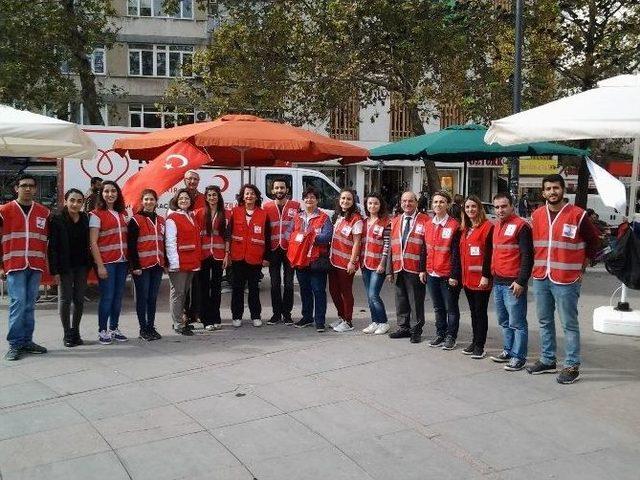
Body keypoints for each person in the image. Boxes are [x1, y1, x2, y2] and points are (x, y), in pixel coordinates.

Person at [527, 174, 600, 384]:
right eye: (548, 189)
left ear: (563, 190)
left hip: (567, 278)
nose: (552, 192)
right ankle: (548, 359)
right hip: (542, 276)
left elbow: (593, 241)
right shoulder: (537, 215)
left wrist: (583, 267)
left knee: (569, 323)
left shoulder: (578, 215)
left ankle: (571, 365)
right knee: (544, 320)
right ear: (543, 193)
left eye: (556, 188)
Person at [0, 174, 49, 361]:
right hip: (14, 264)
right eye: (23, 185)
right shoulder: (5, 211)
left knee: (29, 305)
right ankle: (15, 344)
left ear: (35, 189)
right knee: (18, 303)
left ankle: (27, 340)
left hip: (35, 265)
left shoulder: (44, 212)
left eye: (31, 186)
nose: (27, 188)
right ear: (16, 189)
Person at [490, 193, 533, 371]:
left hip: (513, 283)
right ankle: (508, 350)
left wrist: (521, 281)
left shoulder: (521, 226)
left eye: (504, 206)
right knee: (504, 320)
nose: (500, 210)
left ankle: (519, 356)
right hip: (498, 281)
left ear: (512, 206)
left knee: (517, 322)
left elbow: (527, 256)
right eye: (497, 207)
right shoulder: (497, 225)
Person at [48, 188, 91, 347]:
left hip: (81, 265)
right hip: (64, 267)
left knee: (79, 300)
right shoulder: (57, 219)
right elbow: (52, 247)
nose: (75, 204)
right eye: (72, 200)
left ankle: (76, 331)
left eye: (79, 201)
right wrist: (55, 271)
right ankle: (67, 333)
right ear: (65, 201)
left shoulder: (85, 218)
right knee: (65, 299)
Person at [386, 191, 430, 343]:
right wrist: (389, 270)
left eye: (410, 201)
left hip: (416, 268)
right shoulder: (396, 220)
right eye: (404, 201)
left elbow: (427, 246)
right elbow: (391, 246)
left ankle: (416, 330)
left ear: (416, 203)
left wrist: (424, 269)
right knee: (401, 299)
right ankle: (403, 327)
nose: (407, 204)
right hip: (399, 266)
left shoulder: (425, 220)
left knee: (416, 301)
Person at [287, 187, 333, 332]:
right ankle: (307, 317)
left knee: (318, 290)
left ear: (317, 200)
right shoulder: (297, 217)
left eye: (312, 197)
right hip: (300, 260)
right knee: (304, 290)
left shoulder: (324, 218)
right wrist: (302, 239)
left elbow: (327, 237)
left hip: (317, 260)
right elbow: (290, 234)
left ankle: (320, 321)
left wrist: (309, 237)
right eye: (307, 197)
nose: (309, 200)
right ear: (303, 200)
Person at [89, 180, 129, 345]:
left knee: (118, 297)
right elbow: (93, 243)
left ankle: (114, 328)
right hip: (107, 263)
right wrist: (100, 265)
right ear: (101, 194)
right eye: (106, 191)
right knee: (107, 297)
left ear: (118, 194)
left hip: (122, 262)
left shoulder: (123, 214)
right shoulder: (95, 214)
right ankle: (102, 330)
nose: (110, 194)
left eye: (113, 191)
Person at [421, 190, 461, 350]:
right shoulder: (428, 224)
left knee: (451, 307)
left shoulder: (454, 225)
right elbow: (425, 249)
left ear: (448, 204)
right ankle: (440, 333)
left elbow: (456, 253)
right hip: (431, 272)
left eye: (442, 202)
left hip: (447, 274)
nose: (438, 205)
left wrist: (454, 274)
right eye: (435, 202)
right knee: (437, 307)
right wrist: (422, 269)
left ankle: (451, 336)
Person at [227, 184, 270, 328]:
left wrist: (266, 257)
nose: (249, 196)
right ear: (242, 196)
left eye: (252, 193)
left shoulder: (263, 214)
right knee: (237, 288)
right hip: (237, 257)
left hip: (255, 257)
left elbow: (268, 237)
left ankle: (256, 316)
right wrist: (228, 254)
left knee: (254, 289)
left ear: (256, 196)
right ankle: (236, 316)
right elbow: (228, 234)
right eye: (246, 194)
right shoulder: (235, 212)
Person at [457, 195, 493, 359]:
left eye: (473, 206)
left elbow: (489, 254)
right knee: (473, 312)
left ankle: (480, 345)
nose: (470, 210)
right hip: (467, 279)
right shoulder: (465, 229)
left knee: (480, 312)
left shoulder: (487, 227)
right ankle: (474, 341)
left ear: (479, 208)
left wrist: (486, 275)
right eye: (467, 207)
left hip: (481, 279)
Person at [128, 189, 165, 341]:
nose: (149, 202)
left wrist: (165, 263)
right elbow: (131, 245)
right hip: (142, 266)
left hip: (157, 265)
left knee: (153, 297)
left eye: (152, 199)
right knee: (142, 298)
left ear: (156, 202)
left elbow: (163, 242)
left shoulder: (161, 220)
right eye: (146, 199)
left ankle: (151, 326)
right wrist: (135, 266)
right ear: (142, 202)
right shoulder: (135, 220)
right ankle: (143, 328)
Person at [263, 178, 299, 325]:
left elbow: (300, 228)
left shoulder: (296, 206)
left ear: (287, 190)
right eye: (276, 188)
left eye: (282, 188)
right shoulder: (266, 207)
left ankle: (287, 314)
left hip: (290, 250)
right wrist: (264, 255)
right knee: (275, 284)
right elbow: (264, 233)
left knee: (289, 284)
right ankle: (276, 314)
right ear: (272, 191)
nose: (279, 190)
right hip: (273, 250)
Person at [166, 188, 201, 336]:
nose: (184, 200)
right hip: (179, 263)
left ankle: (181, 320)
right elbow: (170, 242)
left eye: (186, 198)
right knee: (178, 293)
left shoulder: (190, 216)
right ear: (176, 200)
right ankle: (178, 324)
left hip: (190, 261)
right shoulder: (172, 218)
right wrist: (174, 263)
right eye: (181, 198)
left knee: (184, 292)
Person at [329, 189, 363, 332]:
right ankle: (342, 317)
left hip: (346, 263)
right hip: (333, 261)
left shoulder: (356, 219)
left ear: (353, 201)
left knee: (346, 292)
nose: (345, 201)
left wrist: (352, 261)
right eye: (343, 198)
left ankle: (348, 321)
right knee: (333, 291)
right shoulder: (337, 216)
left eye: (349, 199)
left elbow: (357, 242)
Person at [195, 185, 229, 331]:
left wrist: (227, 254)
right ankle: (206, 319)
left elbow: (228, 236)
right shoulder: (199, 213)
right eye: (209, 195)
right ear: (206, 197)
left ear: (218, 196)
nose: (212, 198)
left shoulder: (227, 214)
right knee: (203, 288)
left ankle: (216, 316)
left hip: (219, 255)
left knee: (216, 288)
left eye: (214, 195)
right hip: (203, 256)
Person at [361, 193, 391, 335]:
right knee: (369, 295)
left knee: (374, 294)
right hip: (365, 263)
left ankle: (383, 322)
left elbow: (387, 244)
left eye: (376, 203)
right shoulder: (364, 221)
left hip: (378, 264)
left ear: (380, 205)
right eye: (370, 203)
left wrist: (383, 263)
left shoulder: (385, 222)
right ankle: (375, 321)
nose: (372, 206)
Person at [182, 169, 205, 326]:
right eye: (189, 179)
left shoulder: (203, 198)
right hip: (183, 247)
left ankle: (196, 311)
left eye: (195, 179)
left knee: (198, 282)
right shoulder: (180, 198)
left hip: (201, 246)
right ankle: (183, 312)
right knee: (183, 283)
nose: (192, 182)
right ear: (184, 181)